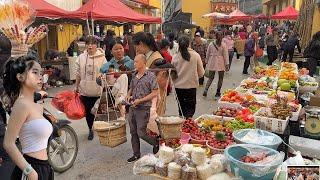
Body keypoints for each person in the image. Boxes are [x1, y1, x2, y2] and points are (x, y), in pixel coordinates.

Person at [3, 56, 53, 180]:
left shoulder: (37, 106)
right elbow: (8, 144)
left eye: (41, 73)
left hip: (45, 166)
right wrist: (30, 171)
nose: (40, 77)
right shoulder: (21, 105)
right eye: (35, 72)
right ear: (20, 77)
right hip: (31, 168)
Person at [126, 54, 159, 163]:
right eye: (134, 61)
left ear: (143, 63)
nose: (134, 64)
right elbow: (131, 87)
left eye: (136, 62)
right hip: (133, 107)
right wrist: (128, 94)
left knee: (141, 132)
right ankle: (136, 154)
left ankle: (155, 142)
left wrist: (141, 100)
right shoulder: (134, 74)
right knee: (133, 132)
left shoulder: (150, 76)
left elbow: (154, 93)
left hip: (143, 108)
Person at [75, 36, 106, 140]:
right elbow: (78, 73)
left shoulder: (102, 57)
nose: (90, 46)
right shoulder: (81, 57)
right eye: (88, 44)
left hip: (97, 90)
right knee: (88, 112)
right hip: (85, 90)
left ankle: (97, 126)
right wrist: (76, 86)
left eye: (92, 43)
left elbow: (106, 72)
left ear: (96, 45)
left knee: (95, 111)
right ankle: (90, 129)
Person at [172, 35, 205, 119]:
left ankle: (181, 125)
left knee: (181, 108)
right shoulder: (195, 55)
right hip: (191, 86)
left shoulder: (175, 57)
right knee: (190, 110)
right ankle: (188, 125)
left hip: (178, 87)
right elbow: (201, 73)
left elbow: (172, 74)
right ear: (189, 43)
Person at [203, 32, 229, 98]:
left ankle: (206, 90)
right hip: (221, 62)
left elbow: (207, 53)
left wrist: (206, 61)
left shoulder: (211, 44)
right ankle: (218, 92)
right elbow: (225, 55)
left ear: (215, 36)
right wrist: (227, 64)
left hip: (212, 61)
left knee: (210, 77)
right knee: (220, 78)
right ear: (222, 37)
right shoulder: (223, 45)